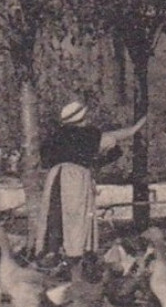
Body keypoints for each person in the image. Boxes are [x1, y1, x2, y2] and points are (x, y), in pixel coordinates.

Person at [33, 101, 147, 262]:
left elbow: (45, 157)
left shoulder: (55, 135)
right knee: (76, 215)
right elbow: (113, 138)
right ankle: (75, 254)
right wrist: (135, 129)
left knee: (55, 213)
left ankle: (51, 250)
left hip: (55, 176)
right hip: (75, 178)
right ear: (81, 119)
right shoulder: (87, 134)